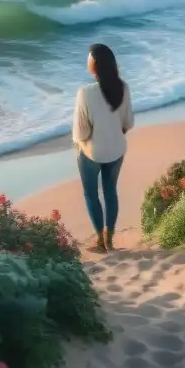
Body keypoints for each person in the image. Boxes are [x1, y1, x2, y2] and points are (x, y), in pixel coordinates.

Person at [72, 43, 134, 252]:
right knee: (110, 192)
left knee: (91, 194)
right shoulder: (122, 87)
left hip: (93, 153)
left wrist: (81, 145)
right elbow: (128, 123)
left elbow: (81, 133)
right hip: (117, 150)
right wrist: (111, 134)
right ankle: (110, 238)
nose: (87, 60)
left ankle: (100, 241)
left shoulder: (85, 93)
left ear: (95, 64)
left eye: (89, 57)